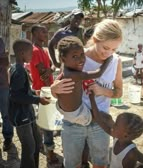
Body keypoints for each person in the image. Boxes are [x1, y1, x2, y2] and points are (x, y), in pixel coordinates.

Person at [51, 19, 123, 168]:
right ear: (95, 40)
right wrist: (54, 89)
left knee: (100, 163)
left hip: (99, 123)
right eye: (105, 47)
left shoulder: (116, 61)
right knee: (72, 164)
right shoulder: (76, 56)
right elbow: (61, 87)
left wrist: (103, 91)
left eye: (114, 49)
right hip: (73, 122)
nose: (109, 53)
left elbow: (119, 92)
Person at [8, 39, 50, 168]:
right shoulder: (19, 71)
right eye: (30, 53)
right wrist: (38, 100)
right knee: (29, 148)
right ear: (21, 53)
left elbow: (22, 90)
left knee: (37, 143)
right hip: (21, 116)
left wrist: (33, 92)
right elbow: (15, 96)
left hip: (27, 112)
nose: (32, 55)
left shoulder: (19, 68)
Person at [89, 92, 143, 168]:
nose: (113, 126)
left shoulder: (130, 153)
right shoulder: (117, 137)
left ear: (125, 135)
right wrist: (92, 99)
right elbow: (99, 120)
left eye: (116, 125)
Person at [56, 35, 112, 125]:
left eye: (82, 54)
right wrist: (109, 59)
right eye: (75, 56)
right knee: (107, 118)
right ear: (63, 59)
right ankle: (118, 138)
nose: (81, 59)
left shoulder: (65, 69)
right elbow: (98, 73)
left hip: (65, 109)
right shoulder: (72, 75)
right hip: (76, 114)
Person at [29, 25, 59, 165]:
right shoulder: (34, 51)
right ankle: (50, 153)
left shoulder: (44, 50)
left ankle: (42, 145)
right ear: (34, 33)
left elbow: (52, 66)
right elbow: (44, 74)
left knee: (44, 121)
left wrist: (49, 69)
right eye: (43, 31)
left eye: (46, 31)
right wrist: (49, 71)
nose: (46, 33)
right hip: (43, 91)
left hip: (47, 89)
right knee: (48, 124)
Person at [0, 37, 14, 151]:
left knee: (6, 114)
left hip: (3, 85)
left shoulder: (0, 40)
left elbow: (5, 62)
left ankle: (8, 138)